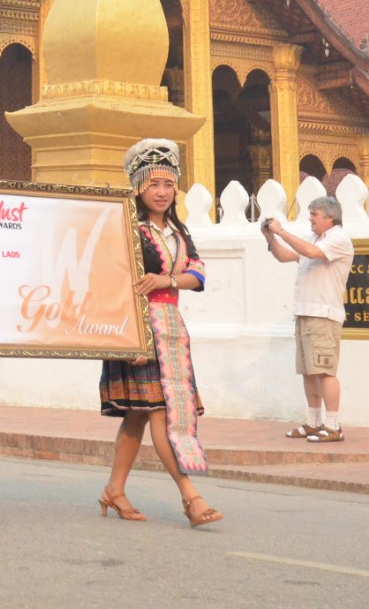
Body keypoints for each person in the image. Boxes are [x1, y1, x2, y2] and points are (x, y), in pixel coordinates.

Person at [97, 139, 222, 528]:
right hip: (139, 327)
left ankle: (114, 490)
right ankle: (191, 496)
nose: (163, 192)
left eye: (168, 184)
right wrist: (129, 338)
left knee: (137, 416)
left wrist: (167, 278)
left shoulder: (178, 231)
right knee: (161, 413)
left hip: (171, 330)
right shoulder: (129, 230)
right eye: (154, 184)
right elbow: (114, 283)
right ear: (138, 188)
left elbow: (198, 273)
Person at [264, 195, 356, 444]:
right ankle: (314, 423)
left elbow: (311, 253)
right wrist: (270, 237)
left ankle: (334, 425)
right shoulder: (315, 240)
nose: (310, 219)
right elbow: (285, 255)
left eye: (314, 214)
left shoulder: (338, 239)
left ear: (330, 217)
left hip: (323, 315)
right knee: (309, 371)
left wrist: (282, 230)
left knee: (325, 370)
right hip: (305, 313)